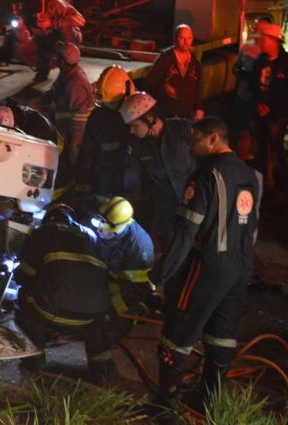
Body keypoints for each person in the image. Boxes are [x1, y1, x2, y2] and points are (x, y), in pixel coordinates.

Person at [148, 116, 263, 424]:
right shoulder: (253, 176)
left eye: (195, 140)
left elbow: (184, 233)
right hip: (240, 267)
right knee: (222, 337)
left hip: (208, 266)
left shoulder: (204, 177)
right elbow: (252, 229)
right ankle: (208, 400)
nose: (190, 147)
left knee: (177, 334)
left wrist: (159, 275)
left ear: (213, 139)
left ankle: (165, 405)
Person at [15, 203, 114, 382]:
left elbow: (26, 274)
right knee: (96, 323)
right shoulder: (92, 235)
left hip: (52, 311)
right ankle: (103, 370)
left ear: (48, 218)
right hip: (91, 314)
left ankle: (35, 361)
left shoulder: (44, 232)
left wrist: (24, 279)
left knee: (24, 301)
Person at [74, 65, 152, 229]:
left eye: (113, 103)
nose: (109, 107)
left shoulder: (142, 115)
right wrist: (84, 191)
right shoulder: (99, 117)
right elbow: (86, 155)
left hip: (136, 198)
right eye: (106, 103)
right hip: (105, 193)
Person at [119, 92, 196, 250]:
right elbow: (133, 181)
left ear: (149, 118)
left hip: (195, 205)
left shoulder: (183, 130)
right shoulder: (138, 147)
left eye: (134, 126)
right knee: (171, 248)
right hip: (167, 211)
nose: (132, 131)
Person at [91, 197, 155, 341]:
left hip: (124, 295)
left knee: (108, 331)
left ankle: (136, 314)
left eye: (103, 229)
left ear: (117, 227)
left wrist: (109, 310)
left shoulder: (139, 246)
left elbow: (138, 289)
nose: (98, 230)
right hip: (103, 284)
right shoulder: (107, 222)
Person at [0, 102, 73, 200]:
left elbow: (30, 174)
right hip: (54, 170)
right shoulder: (20, 115)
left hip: (57, 184)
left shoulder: (37, 135)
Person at [38, 42, 94, 168]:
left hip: (71, 135)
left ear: (63, 62)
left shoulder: (75, 83)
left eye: (58, 56)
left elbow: (81, 116)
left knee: (71, 166)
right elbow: (56, 91)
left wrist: (75, 142)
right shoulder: (68, 74)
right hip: (63, 130)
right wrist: (42, 100)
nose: (55, 58)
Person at [251, 21, 288, 201]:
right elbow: (253, 86)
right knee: (261, 150)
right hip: (261, 114)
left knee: (276, 150)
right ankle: (263, 185)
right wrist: (258, 103)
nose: (259, 42)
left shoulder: (286, 63)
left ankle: (282, 187)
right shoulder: (260, 61)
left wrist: (273, 108)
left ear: (272, 40)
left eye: (262, 39)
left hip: (277, 116)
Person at [230, 16, 273, 160]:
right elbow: (236, 66)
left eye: (261, 29)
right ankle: (241, 164)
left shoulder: (270, 53)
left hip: (260, 101)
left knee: (262, 137)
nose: (257, 31)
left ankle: (265, 171)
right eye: (256, 28)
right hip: (243, 97)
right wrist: (238, 71)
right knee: (242, 132)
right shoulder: (247, 46)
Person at [145, 24, 204, 120]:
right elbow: (149, 82)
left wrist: (199, 108)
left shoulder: (194, 62)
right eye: (182, 38)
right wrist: (163, 88)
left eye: (189, 38)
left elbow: (198, 88)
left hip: (186, 116)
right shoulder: (165, 59)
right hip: (166, 115)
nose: (186, 42)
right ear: (175, 39)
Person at [17, 0, 85, 81]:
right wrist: (22, 31)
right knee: (23, 50)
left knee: (66, 33)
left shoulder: (56, 4)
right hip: (43, 37)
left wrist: (52, 22)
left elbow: (80, 20)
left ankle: (68, 70)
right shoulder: (24, 7)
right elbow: (26, 30)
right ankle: (45, 66)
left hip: (63, 36)